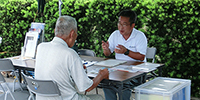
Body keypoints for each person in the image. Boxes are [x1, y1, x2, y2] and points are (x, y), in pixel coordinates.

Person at [35, 15, 109, 100]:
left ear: (55, 31)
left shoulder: (41, 47)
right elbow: (86, 88)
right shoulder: (70, 54)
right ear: (72, 34)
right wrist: (101, 75)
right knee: (98, 97)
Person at [102, 9, 147, 100]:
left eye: (124, 24)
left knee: (124, 84)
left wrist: (126, 52)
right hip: (118, 69)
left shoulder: (139, 36)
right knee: (105, 81)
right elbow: (107, 54)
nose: (121, 27)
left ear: (132, 26)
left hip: (136, 71)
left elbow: (141, 57)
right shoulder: (115, 35)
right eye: (119, 23)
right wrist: (106, 49)